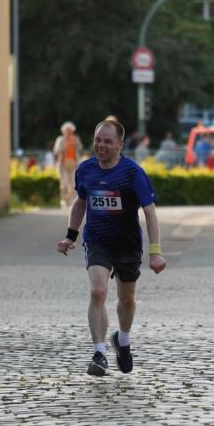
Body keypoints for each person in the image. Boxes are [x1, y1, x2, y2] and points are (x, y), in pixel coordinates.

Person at [56, 118, 166, 376]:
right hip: (97, 240)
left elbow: (150, 212)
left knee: (127, 300)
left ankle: (123, 340)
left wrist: (156, 252)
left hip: (127, 243)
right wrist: (71, 236)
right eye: (97, 140)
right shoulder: (85, 170)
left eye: (107, 141)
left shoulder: (132, 173)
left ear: (119, 144)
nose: (101, 145)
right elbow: (80, 203)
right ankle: (99, 353)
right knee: (97, 292)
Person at [53, 121, 83, 208]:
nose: (69, 132)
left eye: (70, 130)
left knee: (74, 184)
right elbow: (56, 151)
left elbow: (80, 147)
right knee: (64, 184)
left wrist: (75, 143)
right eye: (67, 131)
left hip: (74, 163)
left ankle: (72, 201)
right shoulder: (60, 139)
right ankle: (64, 201)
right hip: (63, 165)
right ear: (63, 131)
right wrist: (65, 146)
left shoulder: (75, 138)